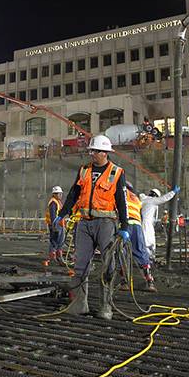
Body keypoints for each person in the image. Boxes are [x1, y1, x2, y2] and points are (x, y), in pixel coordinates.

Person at [56, 134, 128, 320]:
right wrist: (62, 213)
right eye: (91, 150)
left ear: (104, 153)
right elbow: (74, 193)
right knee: (80, 265)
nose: (91, 154)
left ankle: (105, 307)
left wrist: (125, 226)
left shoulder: (116, 172)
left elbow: (122, 201)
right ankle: (80, 304)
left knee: (108, 266)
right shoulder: (84, 170)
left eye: (94, 151)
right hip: (84, 223)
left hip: (106, 224)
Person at [123, 183, 156, 291]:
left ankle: (125, 282)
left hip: (125, 225)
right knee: (141, 252)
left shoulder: (121, 193)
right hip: (137, 226)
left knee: (123, 253)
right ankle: (150, 281)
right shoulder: (136, 198)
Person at [139, 187, 178, 259]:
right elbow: (164, 198)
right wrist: (173, 192)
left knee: (146, 240)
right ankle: (148, 258)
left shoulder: (144, 200)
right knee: (148, 241)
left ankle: (148, 257)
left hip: (143, 223)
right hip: (147, 224)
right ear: (155, 195)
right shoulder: (152, 200)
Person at [44, 185, 65, 266]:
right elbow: (53, 216)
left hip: (60, 224)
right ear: (54, 194)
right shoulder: (53, 202)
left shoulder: (58, 202)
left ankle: (59, 257)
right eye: (59, 194)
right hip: (56, 225)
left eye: (61, 194)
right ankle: (53, 258)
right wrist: (54, 226)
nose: (60, 195)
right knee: (54, 241)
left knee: (60, 242)